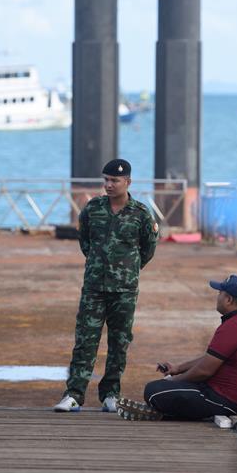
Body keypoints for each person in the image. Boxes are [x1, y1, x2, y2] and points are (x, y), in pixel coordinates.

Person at [54, 159, 159, 413]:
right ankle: (74, 394)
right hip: (94, 288)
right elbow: (85, 242)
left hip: (124, 291)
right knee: (85, 341)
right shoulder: (93, 209)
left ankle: (111, 394)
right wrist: (99, 267)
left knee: (119, 342)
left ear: (128, 182)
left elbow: (148, 249)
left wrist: (128, 270)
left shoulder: (141, 214)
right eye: (106, 180)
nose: (109, 185)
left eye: (114, 181)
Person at [117, 274, 237, 421]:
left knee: (154, 391)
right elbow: (211, 358)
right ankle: (162, 412)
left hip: (226, 401)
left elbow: (204, 371)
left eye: (220, 293)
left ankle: (162, 413)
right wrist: (178, 368)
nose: (217, 297)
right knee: (165, 387)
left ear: (229, 299)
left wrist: (174, 380)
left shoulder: (235, 326)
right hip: (225, 394)